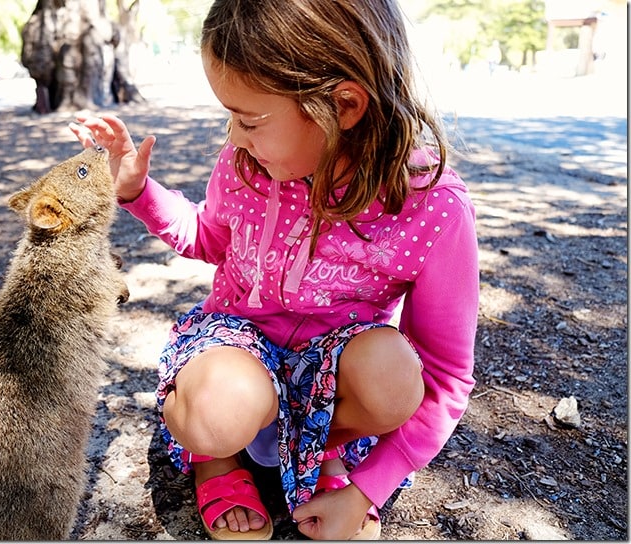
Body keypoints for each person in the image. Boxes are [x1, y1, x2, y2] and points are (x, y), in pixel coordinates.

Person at [70, 0, 479, 540]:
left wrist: (368, 489)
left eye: (249, 120)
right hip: (238, 344)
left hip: (332, 376)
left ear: (344, 105)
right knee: (216, 411)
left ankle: (324, 455)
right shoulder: (248, 163)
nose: (234, 138)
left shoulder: (432, 206)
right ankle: (218, 459)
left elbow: (445, 376)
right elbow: (208, 237)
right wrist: (137, 193)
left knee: (393, 377)